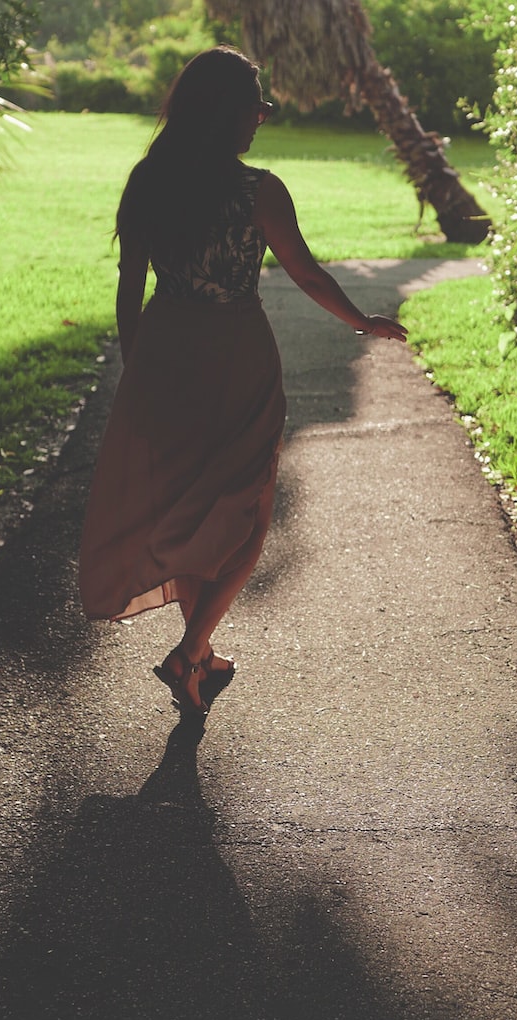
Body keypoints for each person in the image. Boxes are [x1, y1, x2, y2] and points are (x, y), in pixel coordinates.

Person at [77, 46, 407, 715]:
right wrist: (364, 322)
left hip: (165, 348)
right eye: (254, 105)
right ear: (224, 112)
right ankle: (189, 648)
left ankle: (197, 661)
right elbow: (307, 274)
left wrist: (137, 362)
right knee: (250, 511)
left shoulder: (148, 180)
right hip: (235, 355)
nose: (260, 118)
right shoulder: (258, 191)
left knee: (193, 506)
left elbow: (128, 286)